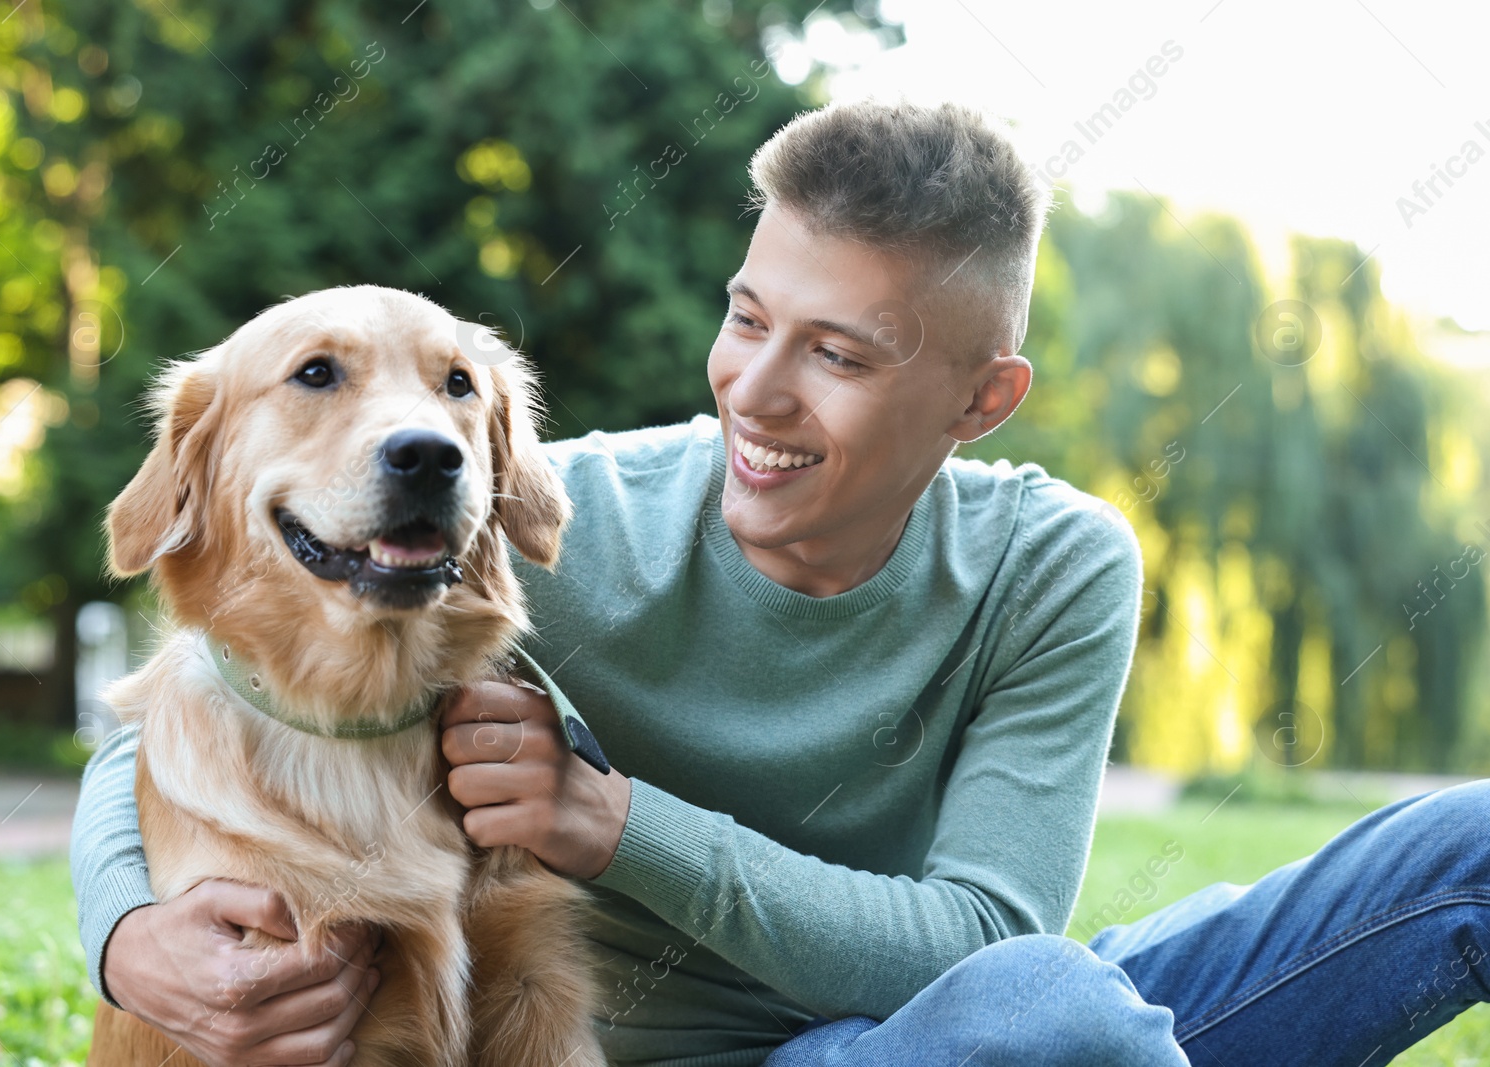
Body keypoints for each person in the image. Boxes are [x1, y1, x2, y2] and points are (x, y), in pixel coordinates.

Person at [72, 100, 1490, 1067]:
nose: (758, 389)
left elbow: (974, 943)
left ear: (983, 400)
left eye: (842, 355)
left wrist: (608, 820)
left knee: (1408, 869)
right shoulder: (535, 519)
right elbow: (204, 693)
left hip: (953, 1019)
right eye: (748, 318)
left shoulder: (1054, 560)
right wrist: (127, 939)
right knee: (1063, 1025)